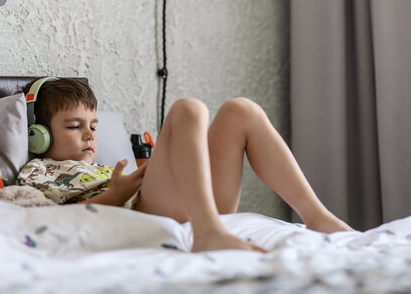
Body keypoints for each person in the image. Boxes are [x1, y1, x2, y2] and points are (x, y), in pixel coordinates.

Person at [17, 78, 352, 253]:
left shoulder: (101, 167)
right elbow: (48, 220)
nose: (89, 135)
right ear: (39, 137)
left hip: (167, 203)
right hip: (142, 213)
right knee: (187, 109)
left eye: (94, 126)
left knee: (241, 110)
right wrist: (114, 195)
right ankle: (207, 232)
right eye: (75, 127)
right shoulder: (37, 172)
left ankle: (319, 217)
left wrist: (137, 177)